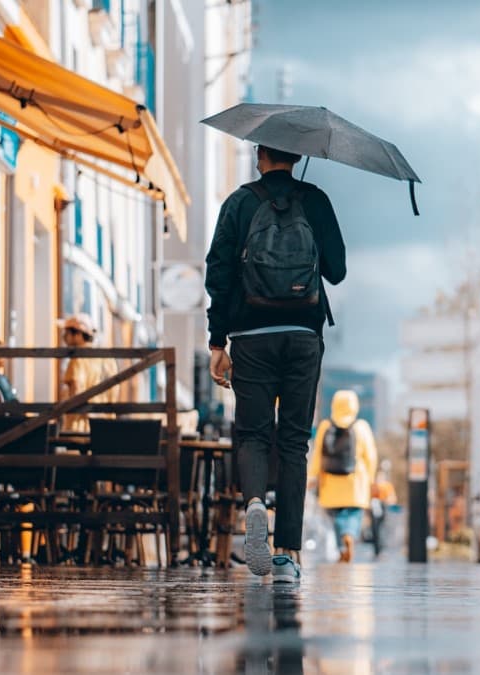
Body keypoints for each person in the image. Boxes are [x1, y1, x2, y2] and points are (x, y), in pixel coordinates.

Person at [205, 144, 346, 583]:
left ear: (259, 155)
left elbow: (218, 272)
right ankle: (287, 555)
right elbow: (338, 271)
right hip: (304, 336)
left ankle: (253, 505)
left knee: (252, 433)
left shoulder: (240, 202)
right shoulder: (316, 201)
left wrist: (217, 341)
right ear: (297, 157)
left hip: (250, 337)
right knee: (293, 442)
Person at [307, 390, 378, 563]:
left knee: (335, 516)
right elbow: (371, 456)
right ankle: (348, 537)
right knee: (352, 515)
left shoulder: (325, 426)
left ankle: (341, 547)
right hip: (355, 482)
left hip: (330, 483)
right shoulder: (361, 427)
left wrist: (312, 476)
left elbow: (317, 455)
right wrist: (371, 478)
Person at [59, 313, 118, 433]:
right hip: (105, 426)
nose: (64, 337)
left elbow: (76, 391)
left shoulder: (78, 359)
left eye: (67, 333)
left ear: (78, 334)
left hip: (80, 427)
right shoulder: (108, 359)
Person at [369, 461, 398, 558]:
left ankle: (381, 550)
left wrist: (387, 500)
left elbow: (392, 498)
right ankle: (377, 550)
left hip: (383, 507)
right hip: (374, 506)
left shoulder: (387, 485)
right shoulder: (373, 485)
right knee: (375, 529)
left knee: (382, 529)